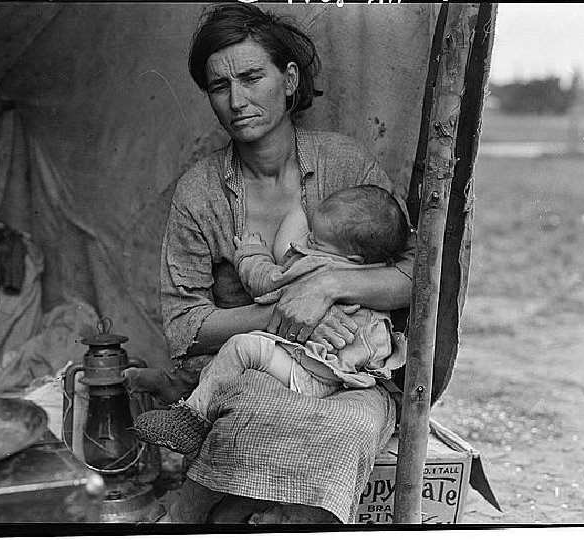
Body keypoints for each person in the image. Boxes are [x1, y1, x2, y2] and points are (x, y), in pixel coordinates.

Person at [127, 3, 415, 523]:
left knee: (348, 430)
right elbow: (184, 327)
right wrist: (282, 315)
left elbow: (416, 278)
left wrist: (325, 288)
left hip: (351, 374)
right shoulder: (200, 191)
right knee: (252, 416)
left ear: (289, 79)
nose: (237, 100)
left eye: (252, 77)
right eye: (220, 86)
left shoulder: (345, 164)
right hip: (257, 369)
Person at [134, 185, 409, 455]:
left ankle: (192, 418)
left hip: (314, 374)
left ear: (352, 257)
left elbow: (266, 282)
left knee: (242, 348)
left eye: (316, 241)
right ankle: (185, 391)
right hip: (351, 372)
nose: (307, 241)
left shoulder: (317, 265)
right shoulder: (376, 274)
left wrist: (252, 252)